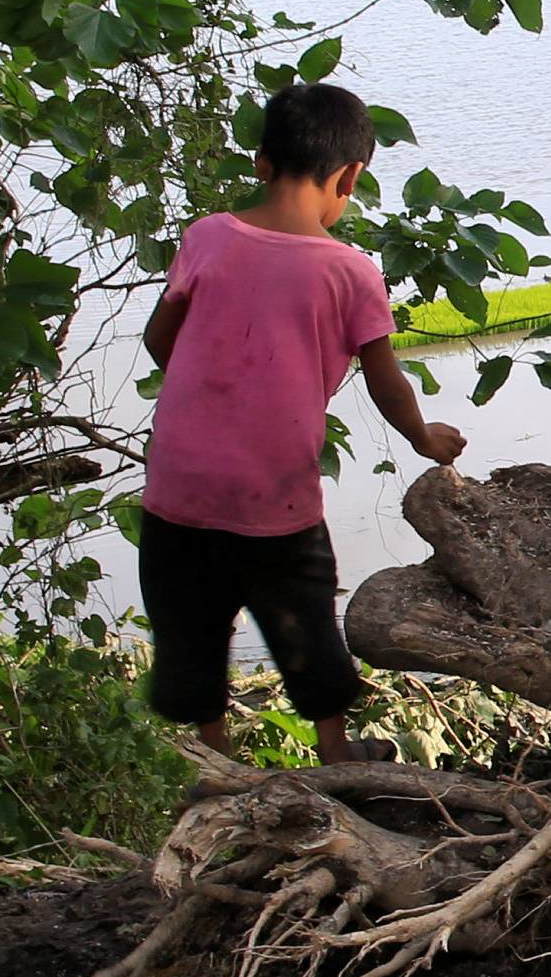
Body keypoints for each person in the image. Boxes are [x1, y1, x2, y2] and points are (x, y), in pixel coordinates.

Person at [139, 82, 466, 763]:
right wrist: (424, 438)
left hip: (179, 486)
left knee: (190, 626)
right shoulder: (349, 272)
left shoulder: (206, 237)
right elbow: (385, 382)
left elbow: (159, 341)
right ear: (351, 177)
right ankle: (335, 750)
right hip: (275, 495)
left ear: (261, 162)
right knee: (307, 620)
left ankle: (217, 757)